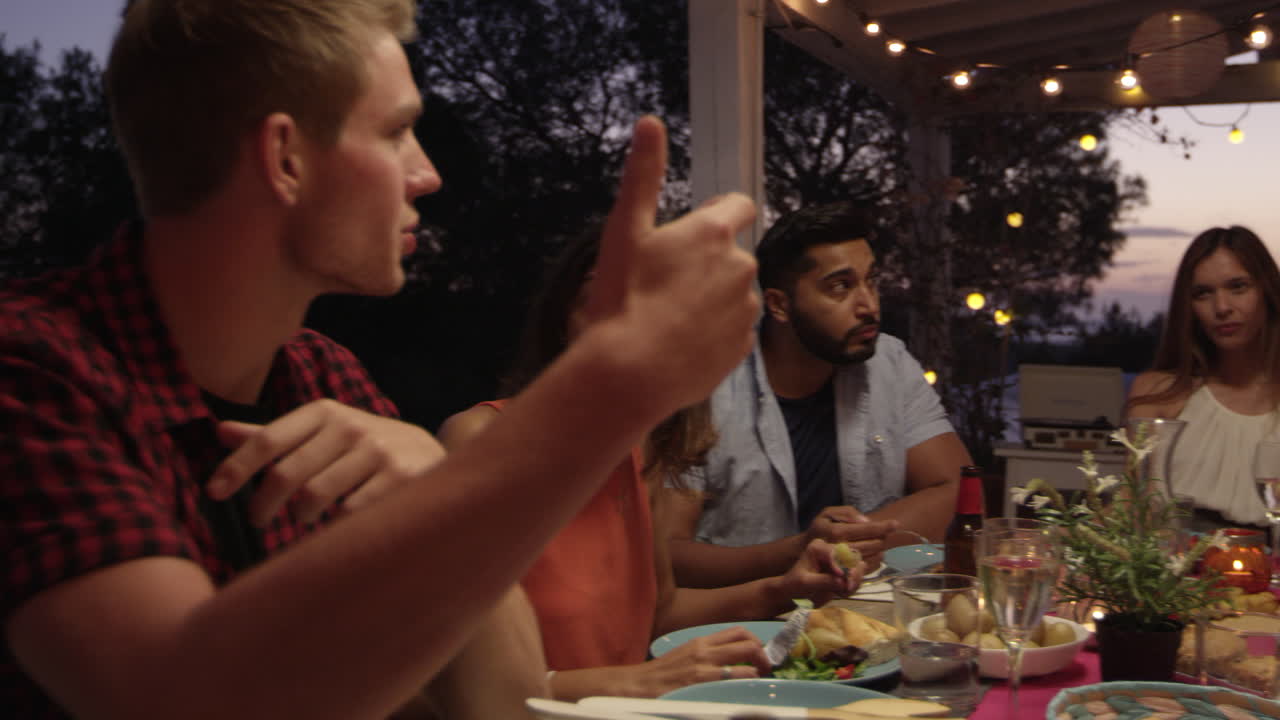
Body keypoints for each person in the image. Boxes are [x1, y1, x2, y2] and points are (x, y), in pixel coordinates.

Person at [0, 1, 762, 717]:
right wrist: (606, 393)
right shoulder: (34, 372)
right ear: (286, 158)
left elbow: (501, 701)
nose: (427, 174)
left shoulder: (322, 375)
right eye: (397, 131)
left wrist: (438, 482)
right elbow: (187, 700)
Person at [437, 231, 874, 701]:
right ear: (563, 322)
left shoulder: (636, 446)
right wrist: (632, 682)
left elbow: (660, 613)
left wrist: (780, 590)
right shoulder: (479, 443)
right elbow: (443, 686)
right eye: (606, 302)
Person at [664, 201, 973, 589]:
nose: (869, 305)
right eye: (841, 287)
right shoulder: (703, 383)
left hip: (865, 612)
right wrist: (798, 551)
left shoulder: (888, 362)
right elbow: (666, 555)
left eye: (871, 280)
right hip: (735, 625)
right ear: (779, 305)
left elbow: (961, 490)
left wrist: (850, 544)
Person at [1126, 226, 1280, 529]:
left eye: (1238, 287)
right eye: (1203, 294)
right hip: (1177, 572)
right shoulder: (1159, 395)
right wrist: (1051, 537)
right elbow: (1131, 512)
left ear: (1267, 292)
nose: (1221, 308)